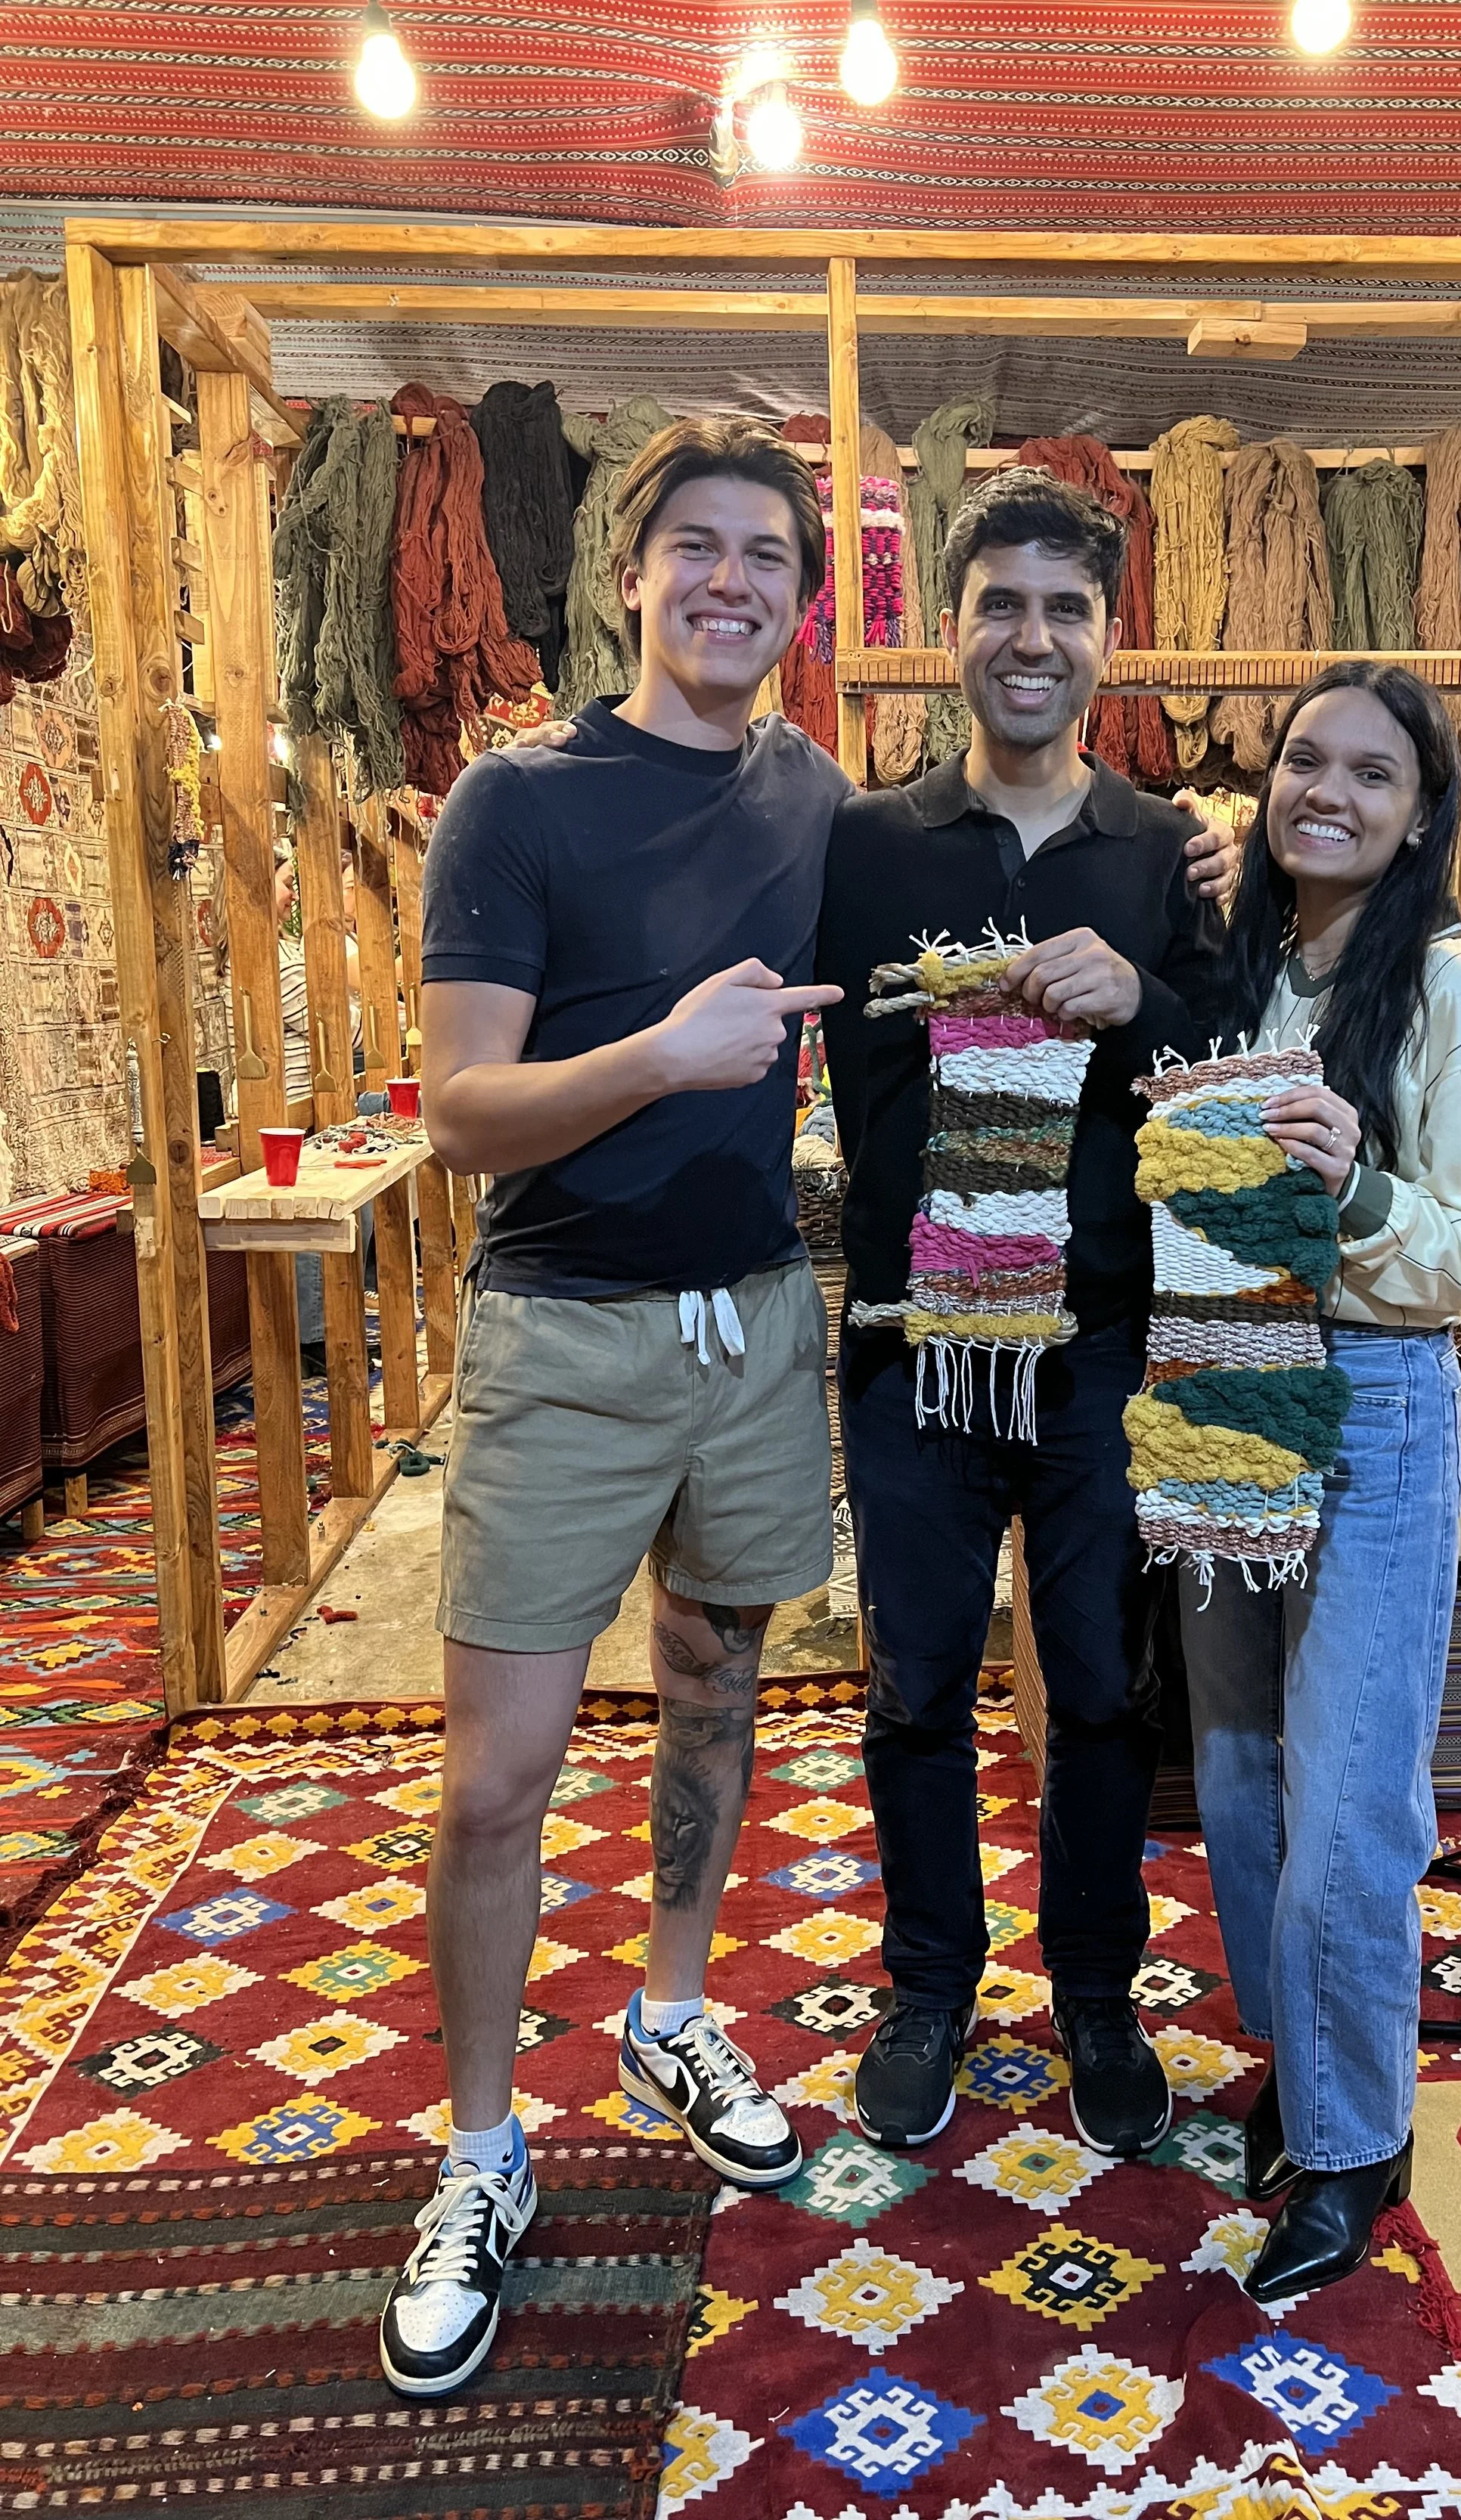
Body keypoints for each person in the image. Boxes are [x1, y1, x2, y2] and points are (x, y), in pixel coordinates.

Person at [380, 416, 850, 2401]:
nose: (732, 579)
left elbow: (960, 913)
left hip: (753, 1324)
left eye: (767, 555)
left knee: (719, 1684)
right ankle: (477, 2152)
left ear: (800, 602)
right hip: (562, 1330)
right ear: (634, 574)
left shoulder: (815, 793)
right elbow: (464, 1114)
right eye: (700, 547)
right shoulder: (516, 800)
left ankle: (672, 2004)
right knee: (497, 1773)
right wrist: (661, 1055)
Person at [818, 469, 1225, 2159]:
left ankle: (1093, 1991)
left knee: (1103, 1689)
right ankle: (928, 1986)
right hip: (913, 1343)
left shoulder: (1173, 857)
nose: (1031, 638)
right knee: (912, 1681)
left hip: (1105, 1347)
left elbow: (1233, 1090)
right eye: (1001, 605)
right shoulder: (855, 846)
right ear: (947, 632)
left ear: (1107, 638)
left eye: (1065, 609)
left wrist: (1143, 998)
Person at [1183, 660, 1461, 2305]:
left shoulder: (1454, 993)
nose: (1325, 791)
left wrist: (1362, 1185)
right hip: (1228, 1374)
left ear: (1417, 815)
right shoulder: (1247, 961)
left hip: (1375, 1396)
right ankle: (1307, 2067)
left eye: (1369, 774)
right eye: (1303, 760)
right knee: (1243, 1775)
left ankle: (1351, 2142)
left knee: (1349, 1808)